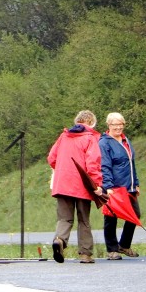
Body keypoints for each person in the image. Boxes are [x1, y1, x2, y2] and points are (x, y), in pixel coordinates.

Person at [48, 109, 103, 264]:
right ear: (91, 123)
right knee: (83, 219)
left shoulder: (64, 136)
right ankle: (85, 254)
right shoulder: (90, 138)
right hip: (82, 185)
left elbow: (52, 158)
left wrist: (60, 169)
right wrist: (97, 184)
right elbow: (93, 163)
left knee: (64, 218)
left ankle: (59, 240)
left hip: (62, 183)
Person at [100, 112, 141, 260]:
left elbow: (132, 163)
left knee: (135, 215)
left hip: (129, 185)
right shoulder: (104, 143)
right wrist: (108, 186)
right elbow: (105, 166)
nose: (118, 127)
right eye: (115, 125)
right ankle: (112, 249)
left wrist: (136, 183)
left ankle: (124, 245)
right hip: (114, 186)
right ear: (108, 125)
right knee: (111, 218)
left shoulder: (125, 140)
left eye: (120, 124)